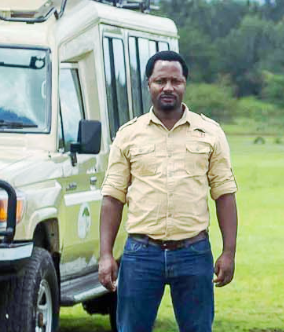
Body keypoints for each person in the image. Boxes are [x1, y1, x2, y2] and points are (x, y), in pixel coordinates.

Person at [98, 50, 238, 332]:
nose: (168, 87)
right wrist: (105, 255)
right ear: (148, 84)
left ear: (185, 84)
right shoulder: (128, 134)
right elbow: (113, 198)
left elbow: (224, 194)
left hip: (194, 252)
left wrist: (229, 252)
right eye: (160, 81)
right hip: (140, 254)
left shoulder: (210, 133)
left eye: (176, 81)